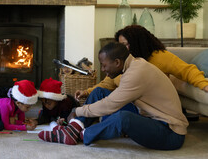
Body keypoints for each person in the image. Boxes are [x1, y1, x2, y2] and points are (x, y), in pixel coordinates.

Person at [38, 42, 189, 150]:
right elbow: (109, 98)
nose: (103, 70)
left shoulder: (136, 73)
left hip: (169, 133)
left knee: (123, 118)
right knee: (99, 92)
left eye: (104, 65)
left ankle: (84, 134)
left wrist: (77, 111)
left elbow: (110, 105)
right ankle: (72, 130)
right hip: (149, 116)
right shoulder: (133, 66)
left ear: (117, 62)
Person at [75, 25, 208, 101]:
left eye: (125, 45)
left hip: (147, 104)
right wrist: (87, 92)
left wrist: (204, 85)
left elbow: (186, 70)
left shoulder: (160, 57)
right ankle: (77, 125)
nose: (122, 49)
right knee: (98, 93)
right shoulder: (122, 61)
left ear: (138, 43)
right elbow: (109, 82)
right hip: (126, 99)